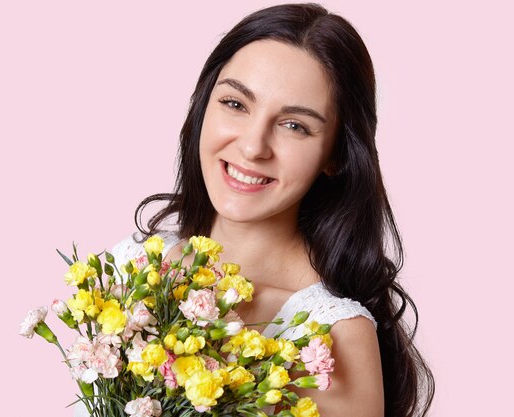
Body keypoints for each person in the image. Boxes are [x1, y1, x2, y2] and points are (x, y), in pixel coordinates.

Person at [77, 3, 434, 417]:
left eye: (294, 126)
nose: (252, 146)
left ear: (335, 155)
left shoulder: (330, 340)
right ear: (202, 106)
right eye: (235, 104)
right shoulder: (131, 269)